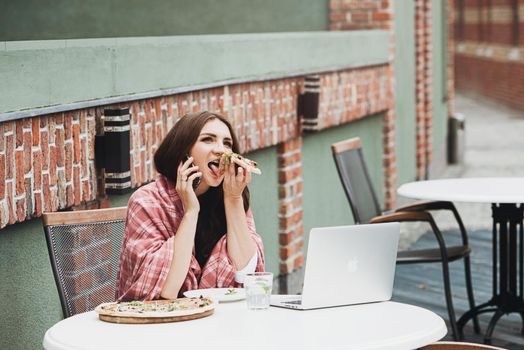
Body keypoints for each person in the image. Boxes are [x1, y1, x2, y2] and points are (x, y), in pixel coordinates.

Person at [115, 111, 265, 301]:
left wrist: (233, 199)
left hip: (220, 319)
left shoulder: (231, 196)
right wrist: (191, 212)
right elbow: (167, 291)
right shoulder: (147, 202)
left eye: (227, 143)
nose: (221, 150)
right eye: (208, 140)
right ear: (184, 150)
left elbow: (246, 277)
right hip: (161, 323)